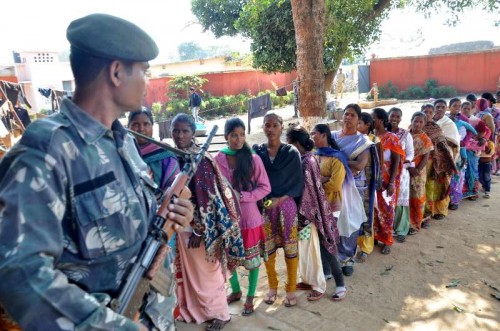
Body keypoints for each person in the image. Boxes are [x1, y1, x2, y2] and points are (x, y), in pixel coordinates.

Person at [0, 13, 194, 331]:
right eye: (144, 71)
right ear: (117, 72)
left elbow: (131, 220)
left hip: (154, 316)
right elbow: (19, 271)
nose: (147, 81)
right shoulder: (46, 151)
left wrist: (173, 214)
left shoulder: (123, 142)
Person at [170, 114, 244, 331]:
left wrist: (200, 232)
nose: (180, 135)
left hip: (201, 228)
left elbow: (208, 198)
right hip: (181, 223)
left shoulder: (200, 159)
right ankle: (196, 311)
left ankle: (220, 314)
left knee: (207, 272)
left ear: (193, 133)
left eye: (184, 131)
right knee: (191, 271)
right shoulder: (175, 156)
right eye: (176, 130)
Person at [214, 118, 271, 316]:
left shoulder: (253, 159)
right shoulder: (218, 159)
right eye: (233, 135)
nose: (238, 140)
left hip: (249, 219)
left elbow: (265, 187)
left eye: (241, 135)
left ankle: (250, 295)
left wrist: (244, 197)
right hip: (227, 220)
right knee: (228, 259)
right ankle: (236, 290)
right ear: (226, 137)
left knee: (252, 261)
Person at [286, 125, 342, 301]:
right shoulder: (307, 158)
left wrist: (303, 213)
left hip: (309, 214)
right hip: (308, 212)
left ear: (296, 143)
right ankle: (309, 280)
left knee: (317, 250)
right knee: (306, 249)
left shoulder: (306, 162)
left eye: (289, 144)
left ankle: (319, 285)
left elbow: (306, 191)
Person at [253, 113, 303, 308]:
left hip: (286, 205)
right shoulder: (257, 152)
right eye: (267, 125)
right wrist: (266, 201)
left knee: (291, 249)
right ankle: (272, 287)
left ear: (282, 127)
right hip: (265, 207)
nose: (271, 129)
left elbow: (298, 181)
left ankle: (291, 288)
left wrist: (279, 199)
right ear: (263, 128)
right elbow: (252, 178)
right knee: (268, 249)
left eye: (275, 125)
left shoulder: (291, 152)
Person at [332, 104, 377, 270]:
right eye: (346, 114)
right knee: (333, 221)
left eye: (352, 115)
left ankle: (347, 258)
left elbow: (359, 165)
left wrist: (335, 161)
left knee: (350, 222)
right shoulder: (332, 136)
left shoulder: (363, 141)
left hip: (353, 187)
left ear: (358, 119)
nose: (348, 117)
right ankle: (333, 258)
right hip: (332, 186)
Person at [311, 124, 351, 301]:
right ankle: (326, 272)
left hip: (331, 206)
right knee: (319, 242)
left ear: (324, 135)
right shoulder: (314, 155)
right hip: (316, 205)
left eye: (314, 133)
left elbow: (335, 184)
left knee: (329, 243)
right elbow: (309, 178)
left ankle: (341, 284)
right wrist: (321, 180)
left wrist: (316, 183)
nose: (312, 136)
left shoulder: (337, 158)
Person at [371, 108, 404, 255]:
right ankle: (375, 237)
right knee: (374, 209)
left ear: (382, 119)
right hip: (373, 180)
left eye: (374, 118)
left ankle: (387, 240)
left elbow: (397, 161)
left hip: (387, 182)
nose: (372, 121)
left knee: (387, 210)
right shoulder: (370, 137)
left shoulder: (391, 137)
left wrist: (391, 183)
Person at [128, 107, 179, 190]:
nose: (141, 129)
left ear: (152, 126)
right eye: (136, 124)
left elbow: (173, 187)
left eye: (146, 124)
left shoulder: (165, 153)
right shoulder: (121, 152)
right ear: (128, 127)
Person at [421, 103, 456, 220]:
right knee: (422, 187)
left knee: (434, 186)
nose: (428, 114)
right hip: (419, 162)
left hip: (435, 162)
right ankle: (424, 212)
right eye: (425, 112)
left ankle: (438, 210)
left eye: (430, 112)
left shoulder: (436, 127)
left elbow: (443, 145)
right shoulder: (415, 125)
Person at [388, 107, 414, 243]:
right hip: (386, 172)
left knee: (400, 200)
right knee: (386, 200)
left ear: (401, 119)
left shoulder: (405, 134)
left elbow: (410, 152)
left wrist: (404, 163)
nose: (394, 119)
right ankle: (387, 228)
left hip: (402, 172)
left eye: (397, 117)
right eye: (392, 116)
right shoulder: (382, 133)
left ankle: (401, 228)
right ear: (387, 117)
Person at [447, 98, 477, 210]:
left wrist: (464, 142)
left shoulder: (462, 120)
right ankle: (446, 200)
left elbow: (472, 132)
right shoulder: (444, 118)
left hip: (460, 151)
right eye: (454, 105)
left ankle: (455, 201)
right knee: (446, 176)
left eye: (459, 106)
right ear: (449, 106)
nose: (457, 108)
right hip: (446, 151)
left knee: (458, 176)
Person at [408, 112, 433, 232]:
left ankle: (415, 223)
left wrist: (416, 170)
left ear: (424, 124)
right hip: (405, 169)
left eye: (420, 122)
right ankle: (405, 222)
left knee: (417, 197)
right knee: (405, 196)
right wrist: (408, 167)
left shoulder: (425, 139)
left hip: (418, 172)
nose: (417, 124)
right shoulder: (405, 135)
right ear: (411, 120)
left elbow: (425, 157)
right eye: (415, 121)